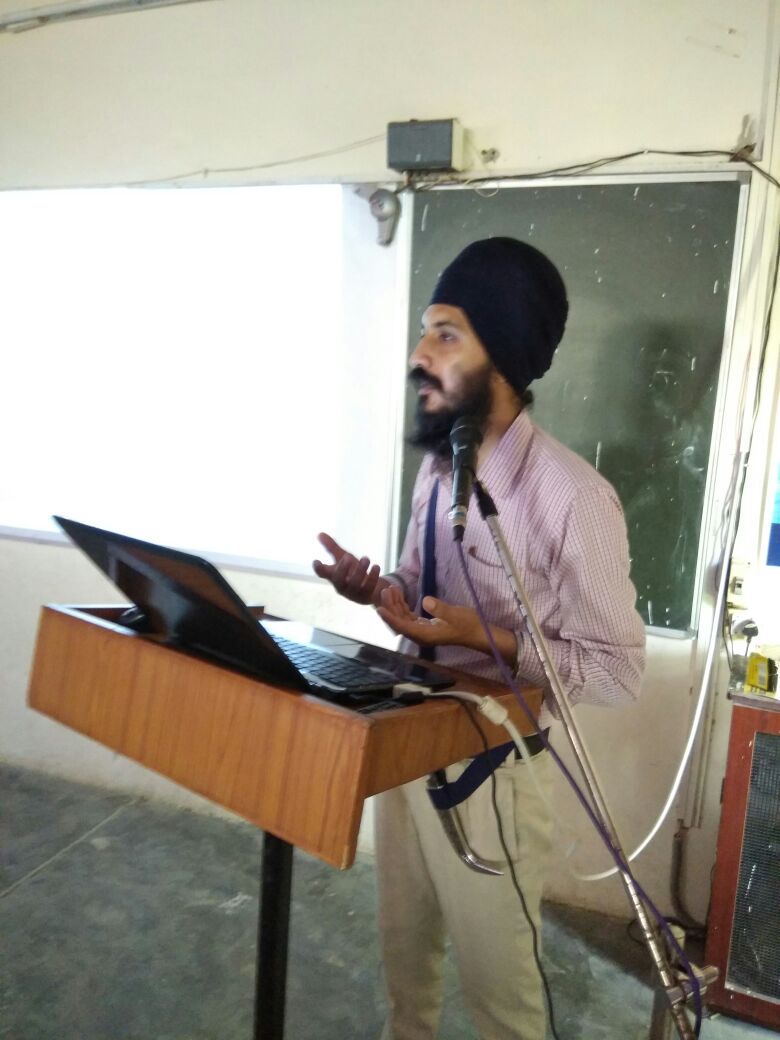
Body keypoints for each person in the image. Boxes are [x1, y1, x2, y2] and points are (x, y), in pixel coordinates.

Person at [313, 237, 646, 1040]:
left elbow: (617, 673)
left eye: (446, 333)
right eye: (424, 330)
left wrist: (488, 637)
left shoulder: (575, 498)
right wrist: (377, 591)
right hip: (405, 747)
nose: (419, 354)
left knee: (503, 1006)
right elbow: (414, 588)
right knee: (405, 973)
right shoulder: (439, 468)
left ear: (501, 352)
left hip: (493, 778)